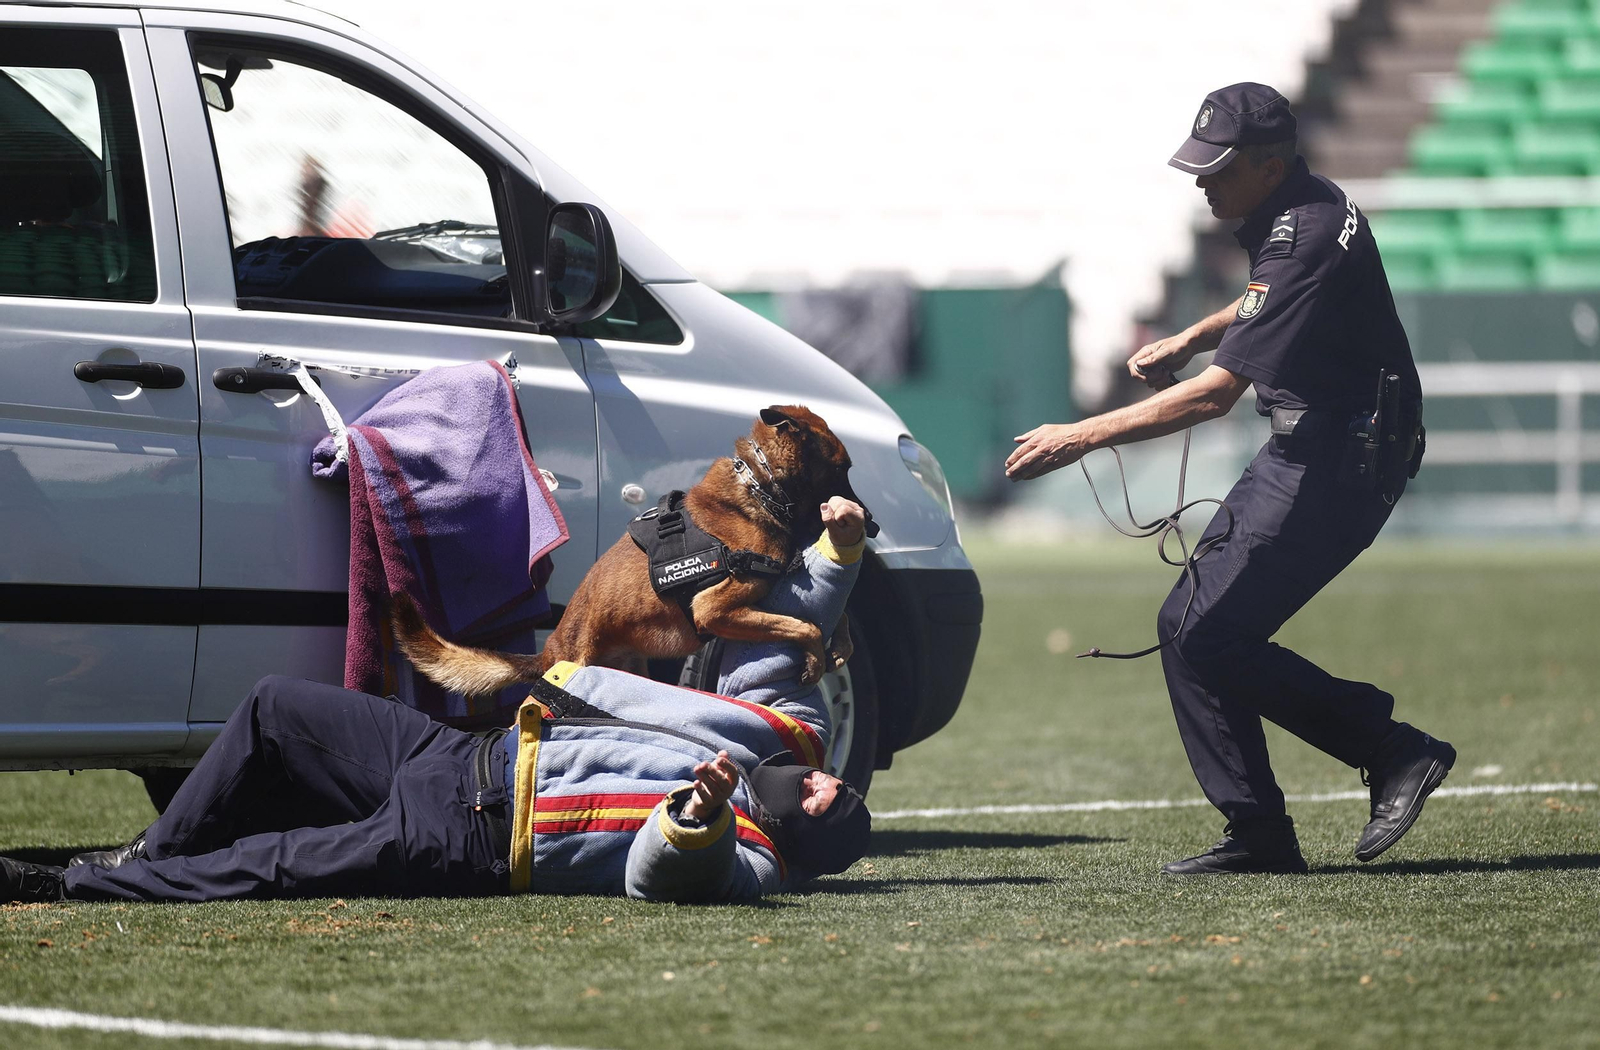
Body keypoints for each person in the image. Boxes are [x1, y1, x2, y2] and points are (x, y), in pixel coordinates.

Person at [1005, 83, 1455, 875]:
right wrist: (1192, 331)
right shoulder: (1298, 210)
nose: (1202, 182)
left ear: (1270, 165)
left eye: (1217, 169)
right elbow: (1263, 304)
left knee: (1209, 633)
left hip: (1342, 462)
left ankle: (1392, 750)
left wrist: (1078, 435)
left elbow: (1217, 396)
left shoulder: (1305, 232)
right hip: (1315, 449)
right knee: (1189, 627)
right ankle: (1260, 833)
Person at [1, 498, 873, 905]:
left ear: (805, 844)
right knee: (275, 710)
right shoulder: (786, 736)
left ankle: (64, 887)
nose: (827, 786)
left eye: (832, 809)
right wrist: (838, 551)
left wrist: (698, 813)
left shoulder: (754, 863)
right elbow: (785, 635)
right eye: (839, 785)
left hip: (477, 834)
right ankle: (144, 857)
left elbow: (664, 872)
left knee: (277, 865)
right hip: (464, 752)